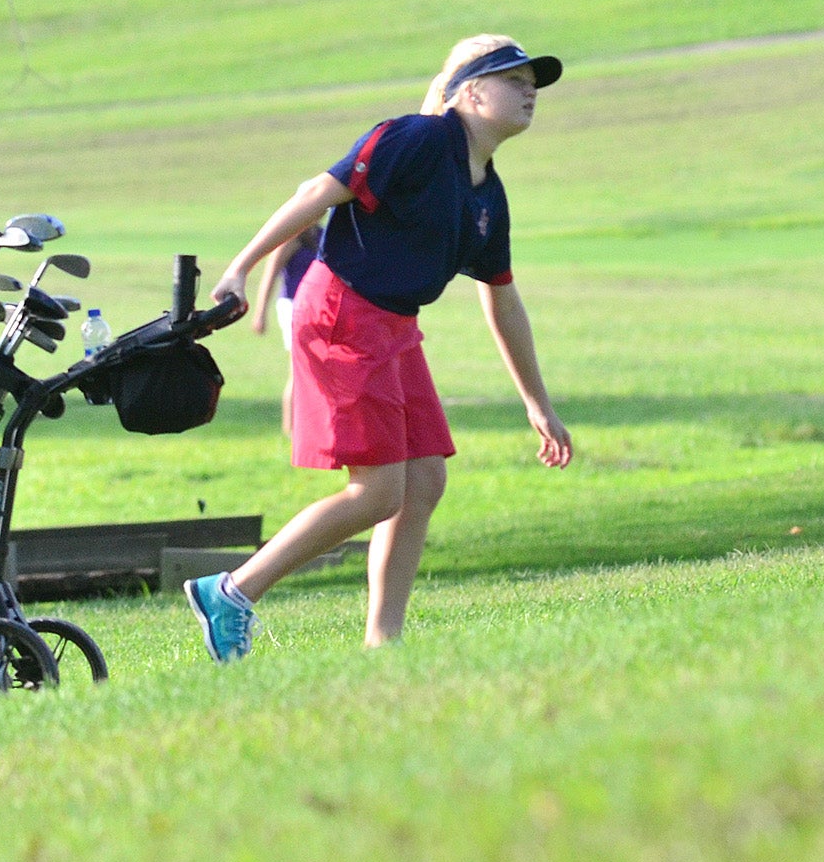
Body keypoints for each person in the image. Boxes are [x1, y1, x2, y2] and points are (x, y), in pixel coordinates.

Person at [186, 36, 573, 661]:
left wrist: (537, 403)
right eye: (513, 78)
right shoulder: (416, 139)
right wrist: (241, 268)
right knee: (379, 492)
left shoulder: (486, 194)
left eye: (535, 81)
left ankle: (382, 645)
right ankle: (231, 590)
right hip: (342, 311)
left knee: (423, 480)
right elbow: (318, 190)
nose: (530, 90)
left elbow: (502, 298)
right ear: (469, 91)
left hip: (394, 325)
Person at [248, 217, 325, 437]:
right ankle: (290, 429)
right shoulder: (290, 238)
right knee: (299, 367)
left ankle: (311, 426)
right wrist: (260, 313)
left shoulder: (320, 235)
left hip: (316, 305)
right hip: (293, 306)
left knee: (316, 368)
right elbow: (269, 276)